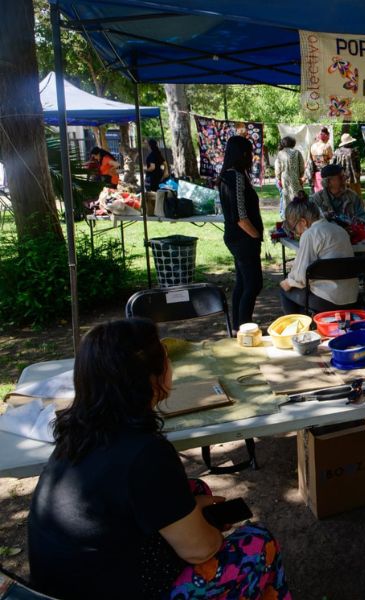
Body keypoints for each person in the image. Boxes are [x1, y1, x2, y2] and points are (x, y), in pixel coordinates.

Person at [27, 319, 292, 599]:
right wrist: (210, 528)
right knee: (258, 543)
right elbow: (200, 550)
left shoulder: (78, 429)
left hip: (60, 585)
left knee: (196, 491)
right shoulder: (146, 453)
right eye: (165, 355)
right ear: (154, 377)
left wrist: (194, 510)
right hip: (123, 588)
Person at [279, 193, 358, 314]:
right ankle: (312, 321)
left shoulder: (310, 234)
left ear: (303, 222)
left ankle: (298, 328)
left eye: (294, 228)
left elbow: (300, 277)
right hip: (352, 297)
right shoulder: (340, 230)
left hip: (327, 300)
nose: (295, 233)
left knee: (284, 290)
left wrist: (287, 282)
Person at [219, 135, 263, 327]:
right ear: (243, 154)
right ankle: (244, 326)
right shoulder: (235, 176)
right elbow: (240, 215)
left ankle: (238, 326)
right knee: (253, 284)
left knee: (243, 283)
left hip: (237, 238)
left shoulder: (229, 175)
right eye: (250, 153)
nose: (251, 157)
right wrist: (256, 234)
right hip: (243, 239)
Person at [274, 135, 305, 220]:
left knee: (286, 198)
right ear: (293, 143)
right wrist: (301, 176)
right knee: (296, 197)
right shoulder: (296, 152)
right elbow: (302, 166)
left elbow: (277, 168)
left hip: (284, 178)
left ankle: (287, 218)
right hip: (295, 177)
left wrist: (279, 178)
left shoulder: (280, 153)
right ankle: (298, 216)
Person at [332, 133, 362, 198]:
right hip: (352, 178)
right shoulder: (353, 151)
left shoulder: (337, 151)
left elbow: (333, 165)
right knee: (355, 196)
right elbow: (358, 165)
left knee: (341, 196)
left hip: (340, 178)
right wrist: (359, 174)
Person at [307, 127, 334, 193]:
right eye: (328, 137)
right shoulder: (327, 146)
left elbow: (310, 158)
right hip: (325, 173)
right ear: (326, 136)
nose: (329, 138)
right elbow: (331, 158)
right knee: (326, 193)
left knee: (317, 193)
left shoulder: (312, 146)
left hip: (315, 173)